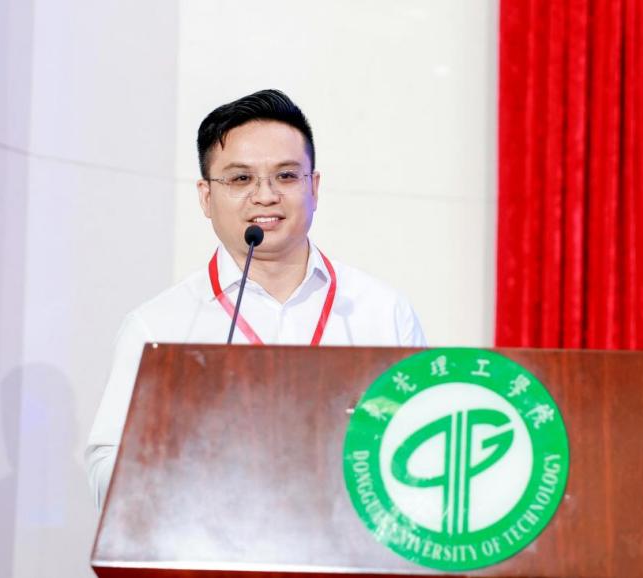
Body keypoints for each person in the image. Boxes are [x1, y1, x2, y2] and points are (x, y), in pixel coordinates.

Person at [86, 89, 426, 509]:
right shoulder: (160, 326)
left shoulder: (382, 312)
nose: (265, 195)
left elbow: (423, 444)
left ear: (314, 187)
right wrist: (183, 455)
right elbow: (105, 471)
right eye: (240, 179)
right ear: (206, 197)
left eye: (286, 176)